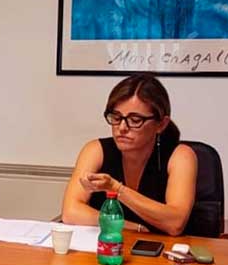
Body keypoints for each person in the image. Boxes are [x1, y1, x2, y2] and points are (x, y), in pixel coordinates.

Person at [61, 73, 198, 236]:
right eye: (116, 117)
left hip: (164, 248)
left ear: (161, 124)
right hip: (109, 245)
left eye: (135, 120)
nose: (122, 128)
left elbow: (175, 223)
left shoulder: (181, 156)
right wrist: (129, 226)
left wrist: (116, 189)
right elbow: (70, 212)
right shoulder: (96, 150)